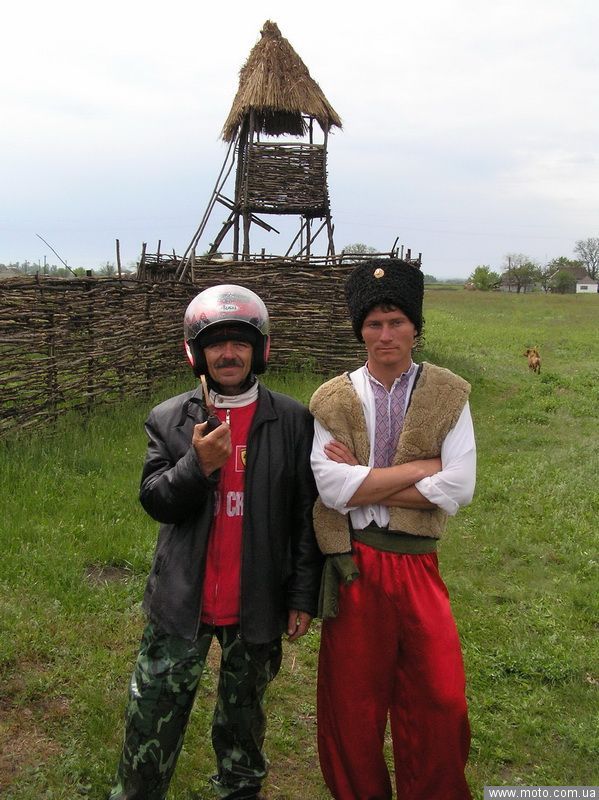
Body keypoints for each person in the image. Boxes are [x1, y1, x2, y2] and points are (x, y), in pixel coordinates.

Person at [109, 284, 322, 800]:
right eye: (216, 343)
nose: (228, 354)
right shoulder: (169, 419)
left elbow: (305, 516)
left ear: (259, 350)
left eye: (240, 342)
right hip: (181, 600)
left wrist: (301, 595)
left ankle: (239, 790)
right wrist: (197, 466)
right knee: (151, 720)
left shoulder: (291, 421)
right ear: (196, 352)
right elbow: (156, 500)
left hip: (257, 601)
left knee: (243, 723)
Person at [309, 259, 476, 800]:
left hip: (418, 565)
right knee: (352, 705)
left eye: (397, 322)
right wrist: (422, 469)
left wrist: (365, 480)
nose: (386, 335)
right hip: (357, 567)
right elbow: (332, 488)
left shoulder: (448, 393)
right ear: (360, 330)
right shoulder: (333, 399)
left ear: (415, 328)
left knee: (442, 699)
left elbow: (459, 486)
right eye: (374, 323)